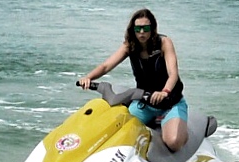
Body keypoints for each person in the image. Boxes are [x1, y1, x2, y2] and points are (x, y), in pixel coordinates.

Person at [77, 8, 188, 154]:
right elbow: (106, 66)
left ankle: (184, 131)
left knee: (173, 142)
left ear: (152, 28)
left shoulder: (164, 43)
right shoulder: (129, 46)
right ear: (133, 29)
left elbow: (173, 74)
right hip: (145, 102)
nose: (142, 32)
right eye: (138, 28)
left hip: (170, 102)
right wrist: (88, 77)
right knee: (116, 129)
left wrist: (164, 92)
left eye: (146, 28)